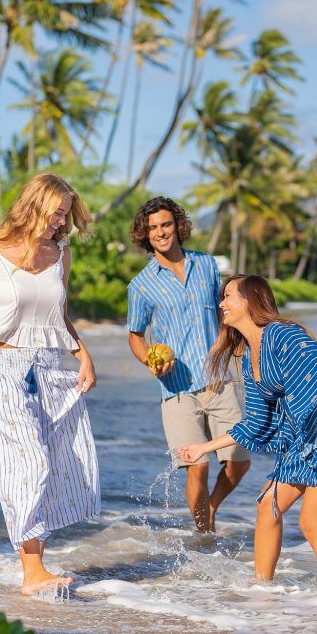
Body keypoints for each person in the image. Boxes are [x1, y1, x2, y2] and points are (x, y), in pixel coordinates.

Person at [178, 275, 317, 590]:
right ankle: (262, 589)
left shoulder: (283, 335)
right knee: (267, 506)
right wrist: (204, 448)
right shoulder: (248, 357)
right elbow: (256, 421)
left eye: (228, 296)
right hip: (305, 433)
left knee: (313, 523)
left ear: (249, 301)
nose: (221, 304)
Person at [0, 172, 100, 596]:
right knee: (27, 463)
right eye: (57, 214)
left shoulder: (60, 254)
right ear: (35, 204)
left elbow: (60, 316)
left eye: (66, 216)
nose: (61, 223)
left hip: (53, 369)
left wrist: (83, 353)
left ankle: (34, 564)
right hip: (2, 367)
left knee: (58, 464)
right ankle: (32, 569)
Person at [127, 197, 251, 533]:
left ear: (178, 226)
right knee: (196, 465)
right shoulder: (140, 285)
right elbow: (136, 335)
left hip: (219, 379)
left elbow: (226, 313)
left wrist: (245, 345)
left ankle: (209, 507)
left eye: (165, 225)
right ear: (145, 234)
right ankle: (204, 534)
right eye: (152, 228)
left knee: (239, 460)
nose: (160, 232)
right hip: (177, 389)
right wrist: (147, 361)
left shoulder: (207, 265)